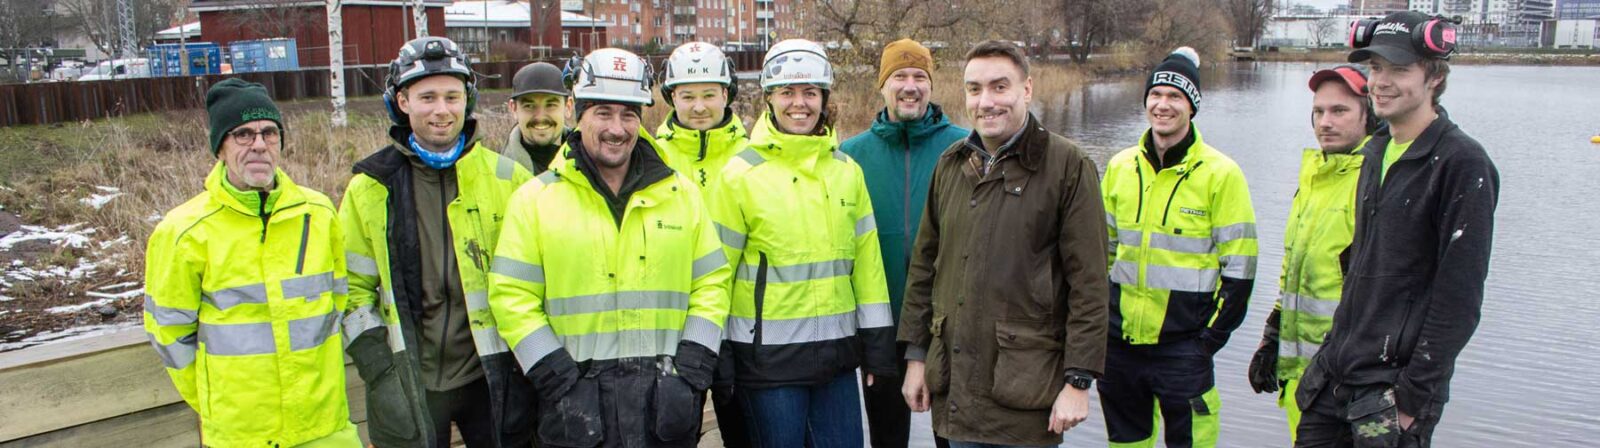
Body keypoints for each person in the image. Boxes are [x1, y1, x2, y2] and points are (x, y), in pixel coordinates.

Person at [487, 47, 732, 448]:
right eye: (603, 112)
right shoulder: (535, 201)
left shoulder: (682, 196)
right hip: (576, 411)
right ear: (576, 113)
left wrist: (691, 369)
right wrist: (557, 377)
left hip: (664, 408)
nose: (617, 128)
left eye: (629, 114)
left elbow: (712, 284)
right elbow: (511, 298)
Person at [1295, 11, 1500, 447]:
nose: (1381, 82)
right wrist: (1327, 356)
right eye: (1375, 68)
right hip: (1335, 377)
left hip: (1392, 393)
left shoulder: (1462, 164)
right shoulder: (1377, 150)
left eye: (1399, 69)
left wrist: (1412, 400)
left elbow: (1459, 298)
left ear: (1435, 78)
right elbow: (1361, 269)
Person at [896, 39, 1110, 448]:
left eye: (1000, 87)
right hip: (955, 391)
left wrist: (1079, 381)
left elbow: (1090, 286)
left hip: (1024, 396)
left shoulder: (1068, 167)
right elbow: (924, 268)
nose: (985, 101)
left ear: (1026, 90)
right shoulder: (951, 165)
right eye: (974, 89)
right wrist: (916, 357)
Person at [338, 36, 535, 448]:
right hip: (409, 380)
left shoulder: (509, 179)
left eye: (452, 96)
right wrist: (379, 369)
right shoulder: (369, 188)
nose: (442, 110)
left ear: (469, 99)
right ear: (403, 102)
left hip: (492, 375)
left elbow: (536, 280)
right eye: (427, 97)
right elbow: (351, 292)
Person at [143, 78, 360, 447]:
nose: (259, 145)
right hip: (242, 434)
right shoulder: (183, 232)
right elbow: (169, 335)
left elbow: (338, 303)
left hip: (325, 425)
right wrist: (219, 403)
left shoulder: (318, 213)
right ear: (220, 147)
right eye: (243, 134)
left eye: (269, 133)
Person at [709, 38, 896, 448]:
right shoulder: (739, 175)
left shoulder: (847, 171)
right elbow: (715, 274)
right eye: (788, 93)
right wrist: (716, 351)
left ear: (824, 98)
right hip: (766, 368)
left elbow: (868, 268)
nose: (800, 104)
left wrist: (879, 345)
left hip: (837, 363)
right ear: (769, 98)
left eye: (810, 92)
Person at [1098, 46, 1259, 448]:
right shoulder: (1120, 167)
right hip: (1120, 347)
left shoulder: (1221, 174)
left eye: (1175, 97)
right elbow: (1100, 256)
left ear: (1192, 106)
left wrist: (1208, 341)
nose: (1163, 105)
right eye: (1156, 94)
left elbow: (1240, 271)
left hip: (1184, 347)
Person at [840, 37, 969, 448]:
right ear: (883, 85)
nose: (910, 85)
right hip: (883, 329)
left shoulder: (965, 147)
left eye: (919, 76)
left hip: (953, 328)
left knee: (953, 437)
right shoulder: (851, 155)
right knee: (887, 437)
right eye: (899, 76)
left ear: (931, 85)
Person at [1246, 64, 1378, 444]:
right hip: (1301, 374)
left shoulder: (1375, 180)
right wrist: (1272, 335)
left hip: (1347, 381)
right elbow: (1293, 268)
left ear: (1369, 114)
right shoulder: (1314, 178)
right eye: (1318, 112)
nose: (1325, 122)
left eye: (1340, 111)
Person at [654, 40, 756, 448]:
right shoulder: (650, 157)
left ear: (727, 94)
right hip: (676, 330)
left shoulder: (752, 156)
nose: (699, 107)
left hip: (740, 329)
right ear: (670, 97)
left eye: (709, 95)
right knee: (676, 431)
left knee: (744, 434)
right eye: (687, 96)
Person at [500, 61, 570, 173]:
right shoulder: (495, 175)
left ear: (568, 107)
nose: (540, 117)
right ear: (513, 108)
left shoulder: (594, 165)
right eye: (529, 106)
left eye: (550, 105)